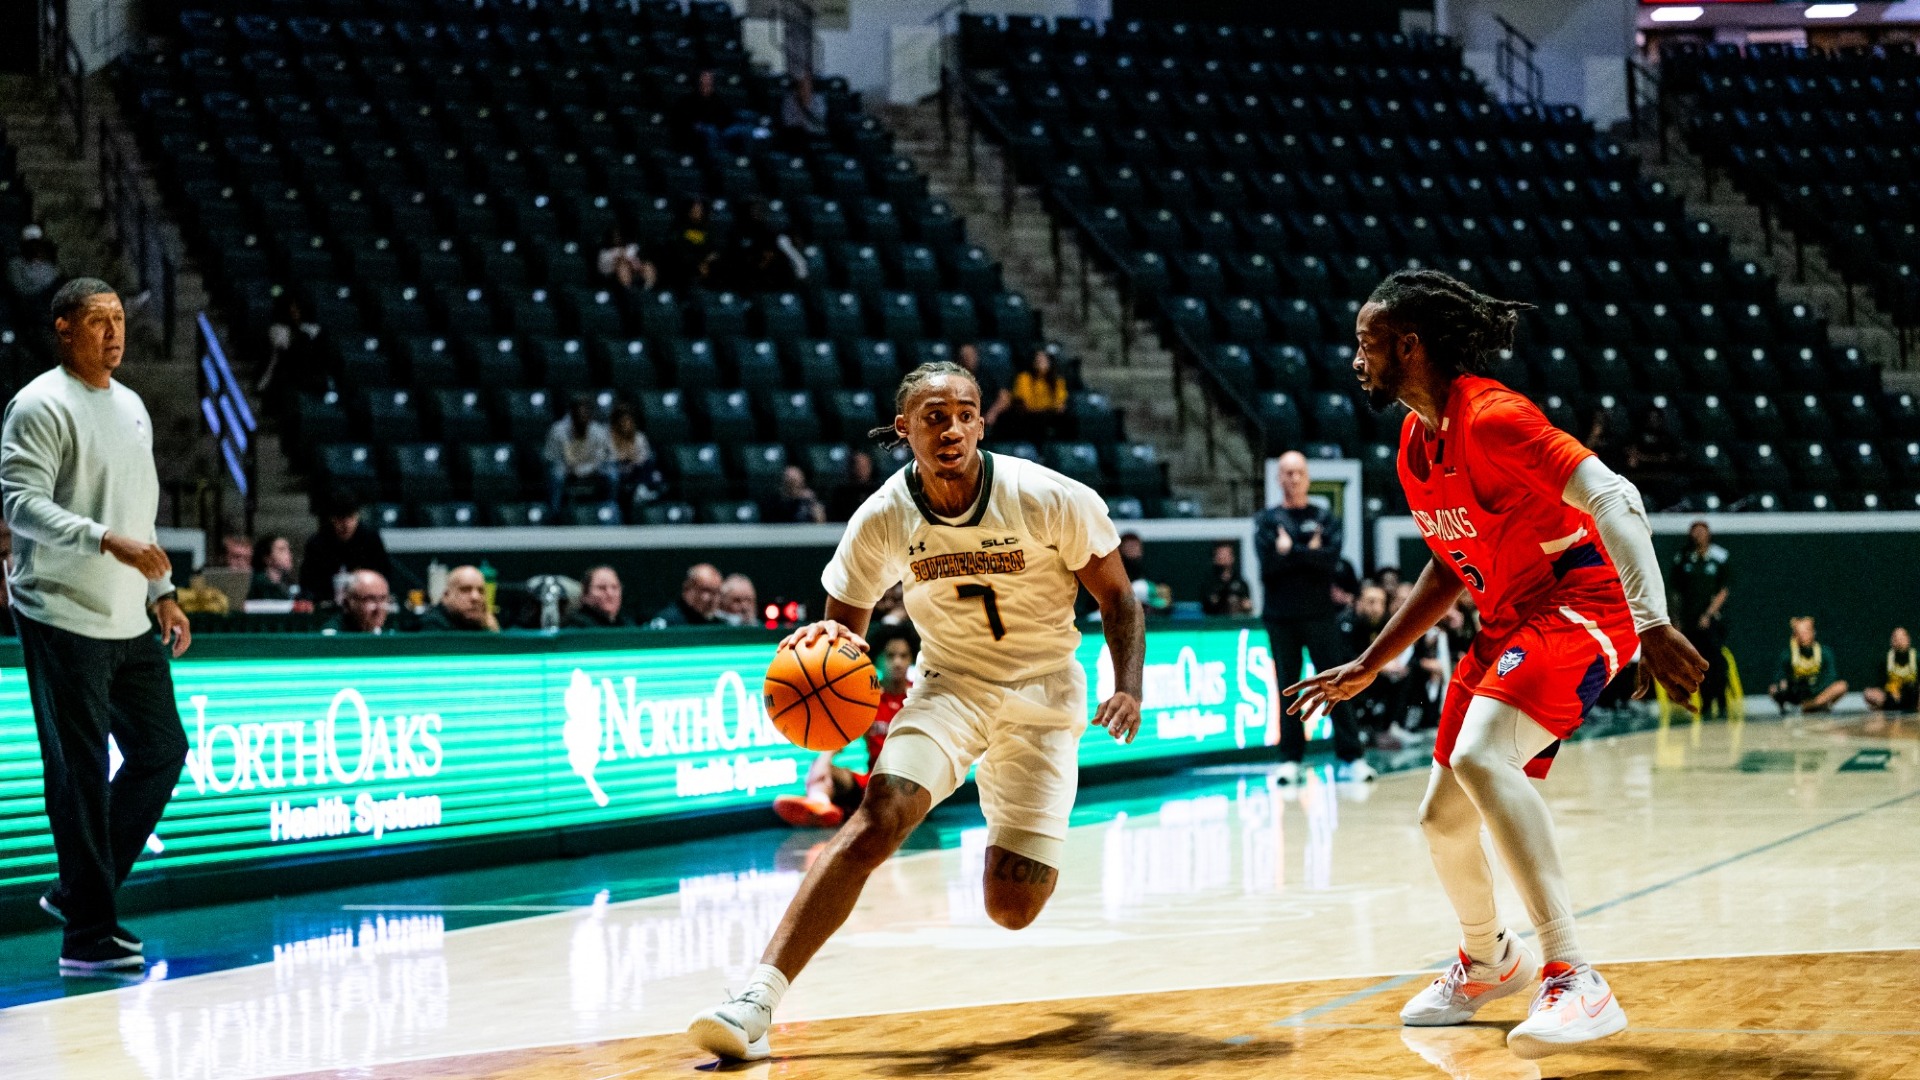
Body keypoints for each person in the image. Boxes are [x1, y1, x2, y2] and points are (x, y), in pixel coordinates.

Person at [1288, 269, 1706, 1059]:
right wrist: (1373, 661)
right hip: (1507, 617)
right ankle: (1488, 959)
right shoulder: (1417, 443)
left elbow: (1615, 497)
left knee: (1483, 759)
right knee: (1442, 821)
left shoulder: (1493, 416)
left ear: (1408, 345)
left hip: (1584, 602)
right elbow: (1452, 566)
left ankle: (1577, 978)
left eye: (1365, 342)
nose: (1354, 358)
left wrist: (1653, 621)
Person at [686, 361, 1144, 1062]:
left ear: (981, 423)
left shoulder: (1047, 496)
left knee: (1011, 909)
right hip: (950, 686)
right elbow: (844, 634)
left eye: (964, 413)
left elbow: (1118, 599)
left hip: (1045, 695)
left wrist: (1128, 685)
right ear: (905, 430)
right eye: (934, 416)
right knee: (877, 819)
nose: (952, 427)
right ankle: (755, 1000)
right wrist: (826, 652)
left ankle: (1009, 814)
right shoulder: (883, 517)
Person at [1, 278, 194, 973]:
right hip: (58, 609)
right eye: (98, 322)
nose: (115, 334)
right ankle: (88, 938)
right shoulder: (38, 404)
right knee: (78, 771)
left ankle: (82, 892)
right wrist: (105, 541)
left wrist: (164, 591)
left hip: (127, 616)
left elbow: (138, 511)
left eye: (119, 321)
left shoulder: (135, 406)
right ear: (63, 328)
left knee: (163, 748)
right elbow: (21, 505)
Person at [1254, 451, 1368, 784]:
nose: (1293, 478)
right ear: (1278, 478)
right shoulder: (1267, 520)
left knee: (1335, 683)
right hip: (1280, 617)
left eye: (1299, 472)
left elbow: (1329, 562)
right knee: (1288, 689)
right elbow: (1269, 566)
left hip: (1320, 615)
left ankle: (1352, 756)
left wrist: (1292, 550)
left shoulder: (1324, 517)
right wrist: (1310, 552)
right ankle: (1290, 758)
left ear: (1307, 477)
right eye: (1287, 473)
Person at [772, 628, 918, 828]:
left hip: (910, 785)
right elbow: (841, 737)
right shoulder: (869, 698)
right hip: (874, 783)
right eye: (890, 655)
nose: (898, 662)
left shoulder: (918, 698)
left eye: (903, 656)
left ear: (911, 659)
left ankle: (858, 812)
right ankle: (819, 805)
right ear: (878, 660)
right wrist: (822, 763)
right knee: (823, 765)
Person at [1668, 521, 1732, 718]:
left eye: (1702, 532)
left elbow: (1724, 590)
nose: (1698, 536)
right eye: (1695, 532)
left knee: (1715, 662)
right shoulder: (1683, 558)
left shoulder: (1719, 557)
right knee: (1695, 663)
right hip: (1689, 621)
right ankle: (1705, 702)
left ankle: (1721, 700)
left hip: (1710, 622)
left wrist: (1708, 614)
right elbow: (1676, 592)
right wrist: (1676, 619)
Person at [299, 499, 397, 604]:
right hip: (326, 601)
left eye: (350, 518)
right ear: (333, 519)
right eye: (341, 519)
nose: (346, 525)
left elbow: (384, 574)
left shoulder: (370, 539)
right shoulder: (317, 543)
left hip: (365, 601)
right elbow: (307, 581)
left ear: (357, 517)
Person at [545, 396, 614, 512]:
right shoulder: (558, 430)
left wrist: (583, 470)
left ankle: (608, 510)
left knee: (612, 474)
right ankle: (554, 512)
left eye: (585, 415)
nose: (581, 418)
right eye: (578, 415)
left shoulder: (598, 431)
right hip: (565, 467)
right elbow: (550, 456)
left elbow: (600, 458)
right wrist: (569, 467)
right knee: (556, 474)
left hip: (591, 467)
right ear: (572, 415)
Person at [257, 294, 324, 414]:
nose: (294, 310)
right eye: (292, 307)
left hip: (305, 373)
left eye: (297, 307)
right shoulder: (279, 329)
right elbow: (281, 355)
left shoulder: (314, 331)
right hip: (284, 372)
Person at [1770, 615, 1846, 713]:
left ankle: (1811, 706)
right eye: (1799, 633)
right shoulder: (1787, 655)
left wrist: (1815, 687)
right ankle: (1799, 707)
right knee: (1773, 689)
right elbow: (1779, 676)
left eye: (1806, 632)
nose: (1803, 636)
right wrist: (1783, 684)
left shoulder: (1824, 652)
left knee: (1841, 686)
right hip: (1796, 694)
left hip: (1817, 693)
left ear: (1813, 633)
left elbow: (1831, 677)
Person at [684, 68, 759, 158]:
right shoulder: (692, 97)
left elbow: (727, 111)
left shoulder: (718, 95)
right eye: (705, 78)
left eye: (710, 78)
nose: (708, 81)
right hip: (708, 126)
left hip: (724, 126)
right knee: (711, 130)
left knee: (747, 128)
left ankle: (746, 160)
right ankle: (717, 159)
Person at [1624, 405, 1686, 512]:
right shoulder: (1636, 437)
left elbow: (1678, 457)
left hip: (1663, 477)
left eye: (1656, 418)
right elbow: (1632, 461)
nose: (1653, 420)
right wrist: (1657, 459)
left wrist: (1647, 458)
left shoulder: (1667, 437)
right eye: (1651, 417)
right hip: (1640, 478)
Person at [1003, 347, 1071, 442]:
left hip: (1049, 414)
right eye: (1038, 359)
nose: (1041, 362)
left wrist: (1050, 407)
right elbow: (1026, 403)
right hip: (1030, 415)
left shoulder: (1057, 381)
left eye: (1044, 359)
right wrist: (1046, 406)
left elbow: (1060, 404)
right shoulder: (1024, 378)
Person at [607, 404, 662, 509]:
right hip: (618, 468)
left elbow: (644, 456)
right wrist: (627, 457)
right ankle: (613, 502)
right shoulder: (611, 438)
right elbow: (612, 457)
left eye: (628, 421)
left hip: (636, 468)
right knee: (613, 471)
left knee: (652, 469)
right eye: (623, 422)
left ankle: (642, 490)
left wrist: (633, 460)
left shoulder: (639, 437)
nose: (626, 424)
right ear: (617, 423)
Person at [418, 565, 499, 632]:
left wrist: (491, 632)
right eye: (465, 590)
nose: (475, 597)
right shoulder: (432, 626)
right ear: (446, 595)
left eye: (481, 591)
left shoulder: (484, 623)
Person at [955, 343, 1011, 432]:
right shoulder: (955, 378)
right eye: (964, 356)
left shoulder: (989, 373)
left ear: (977, 356)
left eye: (970, 355)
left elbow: (1004, 398)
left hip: (991, 419)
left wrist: (992, 414)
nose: (967, 359)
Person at [649, 563, 724, 628]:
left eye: (716, 592)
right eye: (705, 590)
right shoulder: (667, 621)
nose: (710, 598)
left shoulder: (718, 624)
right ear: (687, 588)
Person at [1864, 626, 1918, 714]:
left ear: (1908, 639)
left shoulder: (1916, 658)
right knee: (1868, 693)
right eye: (1895, 638)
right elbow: (1879, 684)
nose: (1899, 641)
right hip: (1892, 696)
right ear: (1891, 641)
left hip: (1912, 695)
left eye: (1902, 638)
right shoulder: (1885, 659)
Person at [669, 198, 720, 289]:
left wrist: (706, 260)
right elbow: (680, 248)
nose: (697, 211)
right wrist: (699, 261)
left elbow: (713, 248)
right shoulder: (681, 227)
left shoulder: (708, 228)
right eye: (694, 209)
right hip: (687, 261)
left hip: (705, 261)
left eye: (699, 209)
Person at [321, 569, 390, 634]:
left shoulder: (388, 635)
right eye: (370, 599)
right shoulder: (331, 637)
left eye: (383, 599)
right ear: (347, 604)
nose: (379, 608)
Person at [565, 565, 633, 629]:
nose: (610, 594)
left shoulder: (628, 625)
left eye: (615, 587)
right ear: (585, 594)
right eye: (601, 588)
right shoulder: (577, 628)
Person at [778, 71, 828, 151]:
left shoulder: (818, 99)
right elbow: (788, 121)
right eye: (801, 86)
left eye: (807, 85)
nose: (804, 88)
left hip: (815, 133)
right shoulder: (789, 100)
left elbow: (820, 118)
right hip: (796, 134)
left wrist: (804, 119)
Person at [1201, 541, 1254, 616]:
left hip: (1236, 622)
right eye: (1220, 555)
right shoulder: (1209, 583)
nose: (1223, 558)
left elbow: (1247, 606)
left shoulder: (1241, 583)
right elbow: (1207, 606)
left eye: (1226, 555)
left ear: (1232, 558)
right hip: (1215, 623)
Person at [828, 450, 882, 523]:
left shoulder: (880, 491)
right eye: (857, 466)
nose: (860, 470)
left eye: (864, 466)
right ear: (851, 467)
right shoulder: (841, 493)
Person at [596, 228, 656, 292]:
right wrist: (618, 263)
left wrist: (635, 263)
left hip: (635, 271)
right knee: (623, 267)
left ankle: (647, 288)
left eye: (619, 236)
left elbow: (639, 261)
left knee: (648, 266)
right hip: (614, 278)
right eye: (615, 236)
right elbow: (603, 270)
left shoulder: (632, 247)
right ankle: (629, 290)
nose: (617, 238)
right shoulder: (605, 253)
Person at [248, 534, 296, 601]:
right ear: (267, 558)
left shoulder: (288, 582)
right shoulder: (256, 583)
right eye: (281, 550)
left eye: (289, 549)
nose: (288, 554)